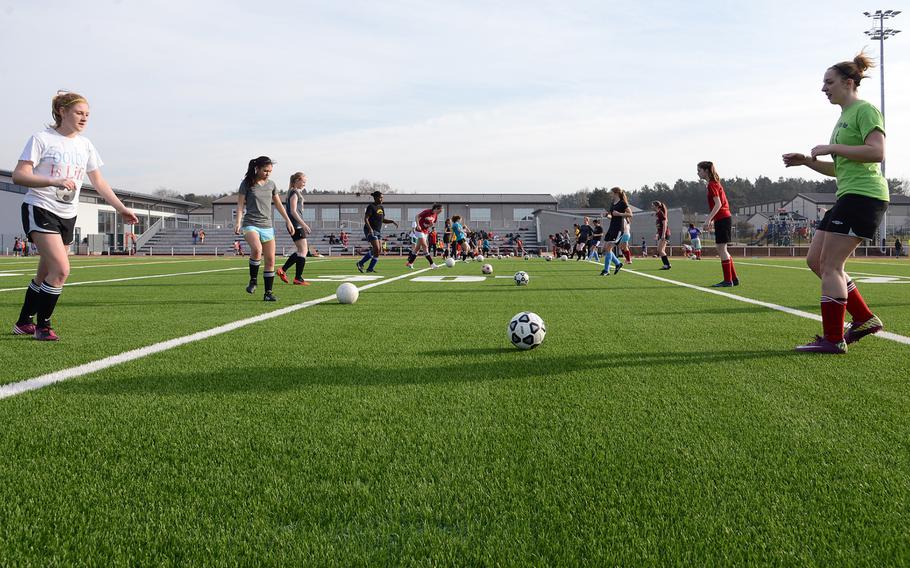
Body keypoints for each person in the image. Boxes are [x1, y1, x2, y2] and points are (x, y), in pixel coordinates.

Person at [783, 51, 888, 354]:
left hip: (864, 196)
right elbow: (839, 169)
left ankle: (833, 339)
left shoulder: (865, 110)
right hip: (849, 195)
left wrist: (832, 146)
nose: (823, 88)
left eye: (829, 82)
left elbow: (877, 152)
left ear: (848, 82)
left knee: (831, 265)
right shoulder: (843, 118)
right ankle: (865, 318)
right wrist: (807, 162)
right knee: (816, 261)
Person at [11, 91, 138, 340]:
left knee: (44, 274)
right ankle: (42, 326)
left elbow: (99, 183)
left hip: (67, 214)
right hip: (40, 207)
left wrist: (121, 208)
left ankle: (23, 322)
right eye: (79, 113)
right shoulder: (42, 138)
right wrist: (52, 180)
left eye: (87, 114)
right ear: (62, 111)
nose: (84, 118)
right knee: (61, 270)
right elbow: (19, 175)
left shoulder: (85, 145)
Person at [234, 156, 295, 302]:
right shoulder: (247, 183)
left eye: (270, 171)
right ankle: (253, 280)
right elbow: (240, 205)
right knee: (257, 249)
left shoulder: (272, 185)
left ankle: (268, 293)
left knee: (270, 260)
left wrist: (288, 220)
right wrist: (238, 222)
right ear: (258, 169)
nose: (268, 173)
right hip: (250, 224)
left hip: (267, 226)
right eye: (265, 170)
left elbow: (279, 205)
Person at [276, 171, 312, 286]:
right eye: (303, 181)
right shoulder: (295, 192)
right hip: (296, 225)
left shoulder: (292, 192)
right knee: (303, 251)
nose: (304, 184)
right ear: (297, 181)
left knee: (302, 251)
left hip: (295, 224)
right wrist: (304, 224)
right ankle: (297, 278)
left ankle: (285, 271)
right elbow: (293, 211)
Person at [356, 190, 398, 273]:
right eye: (380, 198)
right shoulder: (371, 206)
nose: (382, 199)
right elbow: (366, 218)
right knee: (377, 248)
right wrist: (370, 229)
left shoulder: (381, 207)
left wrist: (392, 221)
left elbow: (383, 220)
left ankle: (369, 268)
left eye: (382, 198)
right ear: (375, 198)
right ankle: (361, 263)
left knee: (379, 250)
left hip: (378, 231)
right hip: (369, 230)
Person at [601, 188, 632, 275]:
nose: (611, 194)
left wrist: (619, 214)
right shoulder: (612, 203)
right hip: (612, 228)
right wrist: (607, 215)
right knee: (605, 249)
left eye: (612, 193)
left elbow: (630, 214)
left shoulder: (622, 203)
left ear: (616, 193)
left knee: (608, 248)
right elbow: (613, 216)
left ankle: (606, 270)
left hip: (619, 229)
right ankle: (618, 264)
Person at [406, 204, 443, 269]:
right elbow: (417, 216)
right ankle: (432, 264)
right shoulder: (427, 211)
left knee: (417, 248)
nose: (441, 212)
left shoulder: (436, 215)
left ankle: (410, 263)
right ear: (436, 208)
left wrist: (431, 225)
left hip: (425, 232)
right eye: (440, 210)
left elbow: (432, 224)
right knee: (425, 246)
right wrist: (418, 225)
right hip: (419, 231)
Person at [653, 200, 671, 269]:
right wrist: (658, 234)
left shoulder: (660, 213)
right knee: (661, 250)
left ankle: (667, 265)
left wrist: (663, 234)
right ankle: (667, 265)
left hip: (665, 234)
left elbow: (665, 224)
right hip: (662, 234)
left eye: (653, 205)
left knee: (660, 250)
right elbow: (659, 226)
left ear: (657, 206)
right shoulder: (658, 214)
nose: (652, 207)